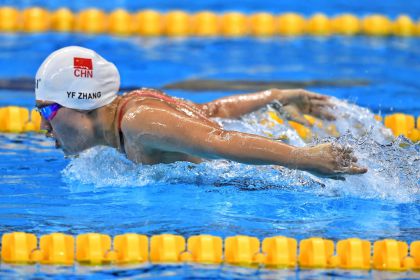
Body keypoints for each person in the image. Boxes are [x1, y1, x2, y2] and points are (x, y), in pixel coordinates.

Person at [35, 46, 367, 178]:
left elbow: (216, 138)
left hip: (271, 182)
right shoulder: (135, 104)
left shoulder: (138, 122)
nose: (44, 126)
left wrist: (303, 158)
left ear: (82, 102)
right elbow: (212, 110)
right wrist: (275, 97)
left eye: (47, 110)